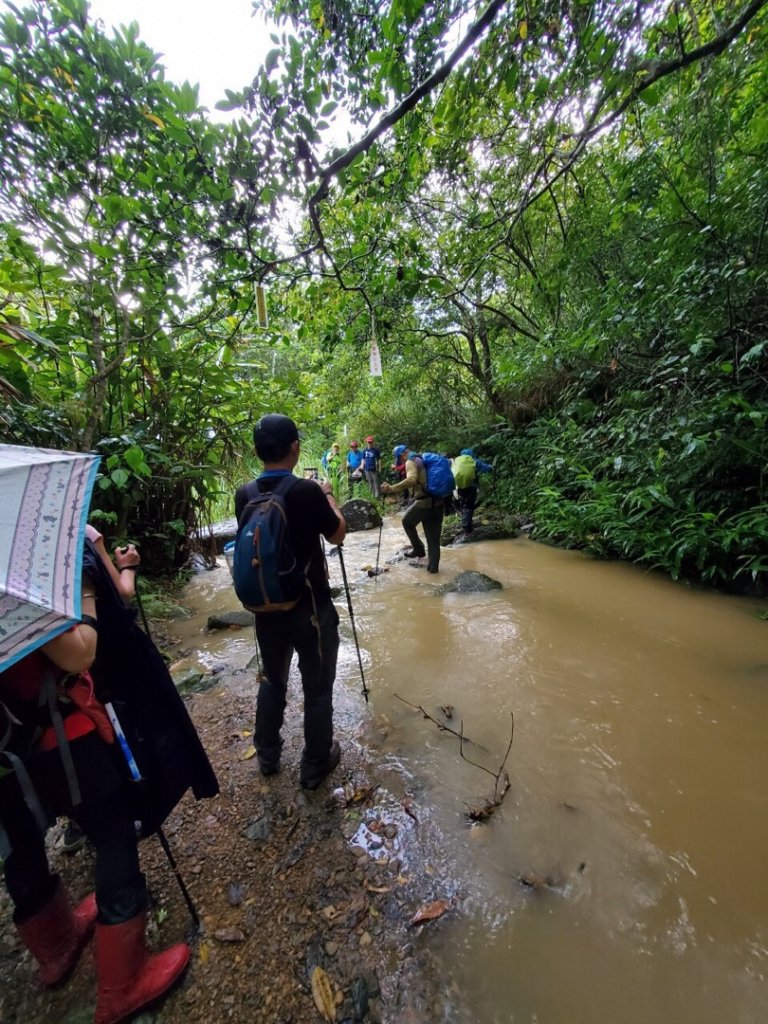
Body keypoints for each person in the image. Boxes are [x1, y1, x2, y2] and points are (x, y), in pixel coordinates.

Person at [0, 563, 190, 1024]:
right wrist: (85, 596)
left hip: (5, 750)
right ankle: (122, 984)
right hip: (56, 736)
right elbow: (79, 654)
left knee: (21, 843)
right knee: (112, 832)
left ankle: (56, 949)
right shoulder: (12, 583)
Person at [234, 413, 347, 789]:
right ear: (295, 447)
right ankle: (315, 765)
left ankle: (267, 754)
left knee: (273, 678)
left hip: (266, 608)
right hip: (310, 606)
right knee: (316, 686)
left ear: (258, 451)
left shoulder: (244, 495)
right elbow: (337, 536)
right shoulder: (306, 491)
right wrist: (329, 494)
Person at [381, 444, 445, 574]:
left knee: (406, 521)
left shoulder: (411, 461)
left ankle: (418, 548)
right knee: (433, 541)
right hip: (439, 502)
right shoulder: (423, 459)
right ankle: (433, 572)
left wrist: (391, 488)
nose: (401, 462)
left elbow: (411, 480)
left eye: (400, 459)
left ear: (403, 454)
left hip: (424, 503)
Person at [452, 448, 493, 533]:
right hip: (471, 486)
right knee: (469, 505)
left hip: (459, 486)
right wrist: (491, 468)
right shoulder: (473, 460)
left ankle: (465, 523)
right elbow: (485, 468)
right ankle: (467, 527)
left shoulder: (457, 461)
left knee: (463, 504)